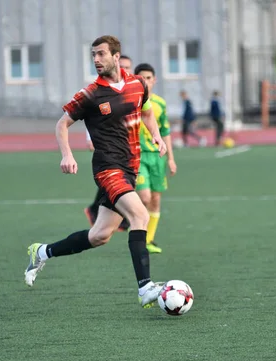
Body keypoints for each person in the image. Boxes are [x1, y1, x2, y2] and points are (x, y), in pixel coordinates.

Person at [24, 35, 168, 309]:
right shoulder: (90, 94)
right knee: (139, 215)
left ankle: (42, 252)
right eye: (93, 55)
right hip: (107, 169)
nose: (96, 60)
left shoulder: (137, 84)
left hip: (129, 170)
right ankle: (145, 288)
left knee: (100, 235)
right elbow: (61, 124)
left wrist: (157, 136)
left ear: (116, 56)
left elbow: (147, 112)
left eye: (101, 54)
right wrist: (67, 154)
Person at [84, 55, 133, 231]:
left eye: (128, 67)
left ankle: (103, 212)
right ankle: (128, 217)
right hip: (110, 149)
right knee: (119, 182)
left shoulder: (133, 90)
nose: (125, 70)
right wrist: (90, 138)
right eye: (123, 66)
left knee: (99, 236)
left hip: (130, 148)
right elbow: (91, 116)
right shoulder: (102, 91)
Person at [133, 63, 177, 254]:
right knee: (145, 197)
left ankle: (148, 240)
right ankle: (135, 226)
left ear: (154, 80)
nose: (146, 81)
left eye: (149, 78)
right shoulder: (130, 102)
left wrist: (171, 159)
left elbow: (165, 131)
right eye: (142, 78)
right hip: (138, 156)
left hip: (157, 158)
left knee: (156, 200)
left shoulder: (160, 103)